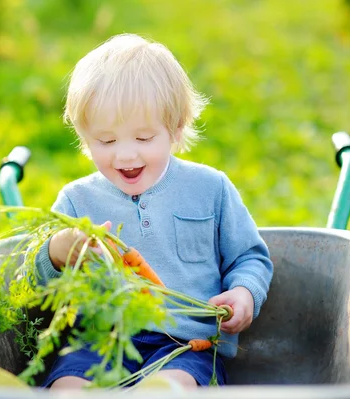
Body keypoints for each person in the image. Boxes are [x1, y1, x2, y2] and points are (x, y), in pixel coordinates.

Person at [34, 33, 273, 389]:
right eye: (107, 141)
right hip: (97, 342)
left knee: (173, 387)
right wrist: (56, 253)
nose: (125, 155)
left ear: (175, 130)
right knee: (69, 386)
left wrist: (244, 292)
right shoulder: (75, 201)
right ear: (85, 138)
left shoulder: (209, 189)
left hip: (184, 347)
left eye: (143, 138)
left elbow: (250, 258)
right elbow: (37, 285)